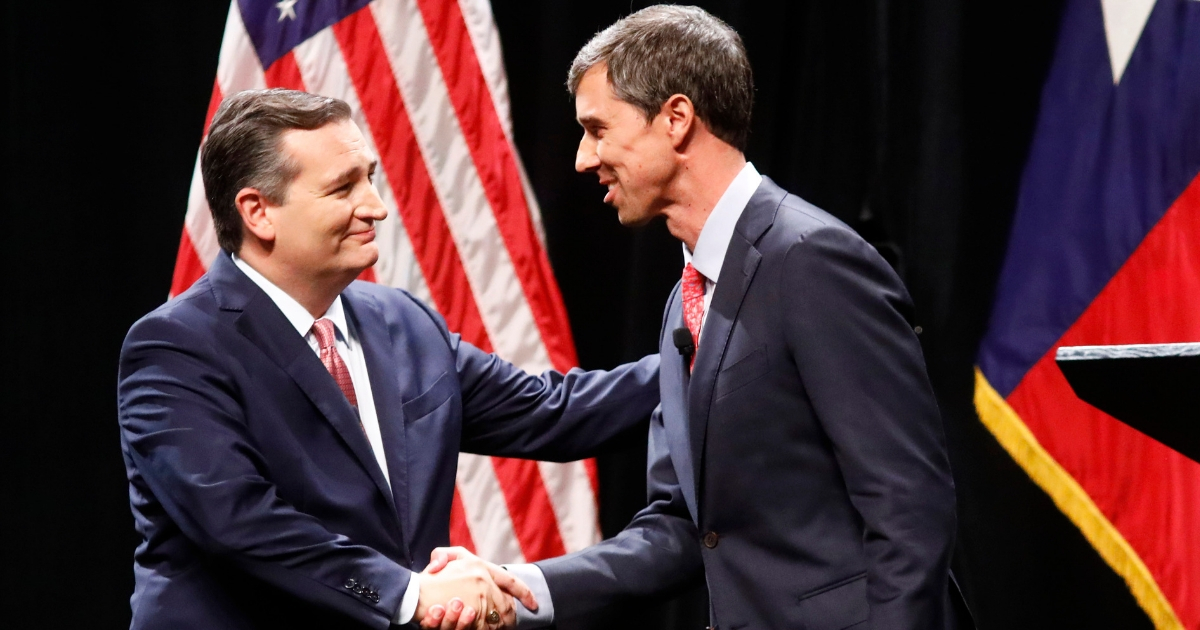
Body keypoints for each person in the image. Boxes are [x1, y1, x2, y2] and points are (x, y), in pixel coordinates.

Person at [425, 6, 965, 629]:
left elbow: (908, 505)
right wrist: (526, 587)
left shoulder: (811, 260)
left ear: (676, 119)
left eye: (598, 129)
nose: (582, 158)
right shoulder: (688, 296)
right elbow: (686, 527)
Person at [116, 88, 660, 630]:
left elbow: (556, 412)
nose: (375, 206)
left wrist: (708, 355)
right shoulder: (175, 349)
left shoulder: (401, 322)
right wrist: (408, 594)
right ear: (258, 212)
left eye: (369, 177)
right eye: (343, 188)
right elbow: (238, 521)